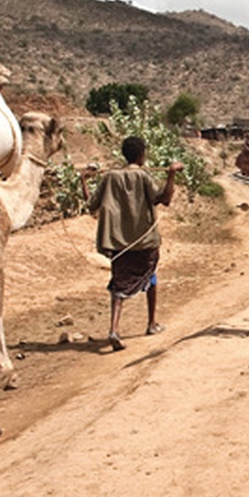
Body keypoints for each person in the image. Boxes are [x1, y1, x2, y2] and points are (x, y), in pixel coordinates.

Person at [82, 135, 182, 351]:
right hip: (144, 242)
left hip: (119, 244)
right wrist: (172, 174)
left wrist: (83, 181)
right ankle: (151, 323)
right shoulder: (144, 176)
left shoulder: (110, 177)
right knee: (150, 275)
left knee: (119, 284)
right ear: (141, 154)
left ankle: (114, 329)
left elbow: (91, 205)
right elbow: (164, 199)